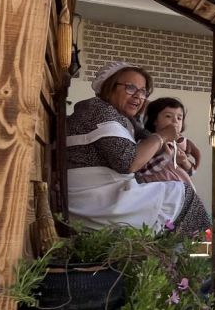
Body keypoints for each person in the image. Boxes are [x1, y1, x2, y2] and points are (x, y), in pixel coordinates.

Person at [65, 61, 207, 236]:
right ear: (109, 88)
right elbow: (128, 161)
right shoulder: (98, 110)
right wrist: (162, 136)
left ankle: (167, 256)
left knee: (179, 197)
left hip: (105, 194)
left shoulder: (123, 118)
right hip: (94, 198)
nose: (138, 97)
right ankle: (172, 257)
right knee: (182, 196)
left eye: (143, 91)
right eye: (130, 88)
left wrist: (180, 139)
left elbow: (147, 137)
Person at [136, 97, 200, 188]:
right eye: (168, 116)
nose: (175, 121)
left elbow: (192, 172)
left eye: (179, 118)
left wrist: (184, 161)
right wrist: (166, 156)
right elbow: (142, 171)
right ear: (154, 120)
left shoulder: (176, 145)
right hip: (160, 195)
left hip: (182, 195)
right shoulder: (147, 143)